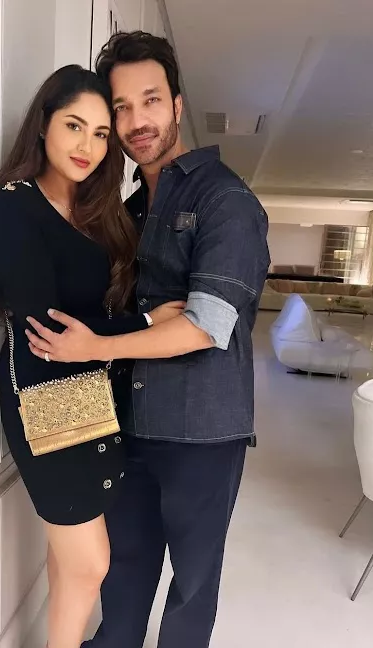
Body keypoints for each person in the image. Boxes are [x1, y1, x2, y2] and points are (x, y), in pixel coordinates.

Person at [26, 33, 270, 648]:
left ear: (178, 105)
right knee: (123, 572)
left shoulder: (225, 198)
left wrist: (101, 346)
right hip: (127, 424)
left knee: (192, 585)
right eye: (122, 107)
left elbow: (205, 325)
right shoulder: (127, 209)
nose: (138, 121)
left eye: (151, 100)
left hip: (201, 430)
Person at [0, 64, 183, 648]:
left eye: (100, 133)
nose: (87, 146)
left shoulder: (95, 211)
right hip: (42, 388)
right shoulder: (15, 204)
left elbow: (94, 313)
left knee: (69, 553)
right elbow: (43, 320)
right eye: (74, 125)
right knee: (90, 561)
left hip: (90, 387)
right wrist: (146, 323)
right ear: (44, 123)